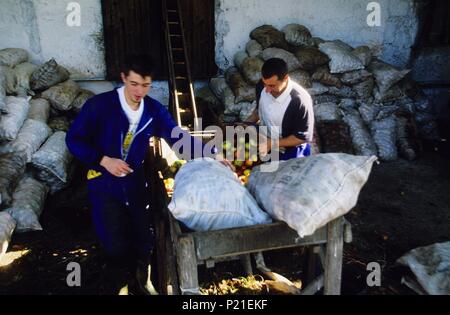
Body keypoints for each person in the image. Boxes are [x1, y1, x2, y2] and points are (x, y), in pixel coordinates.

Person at [66, 54, 224, 294]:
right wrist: (103, 160)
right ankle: (120, 275)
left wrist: (213, 155)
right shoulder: (99, 106)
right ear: (123, 78)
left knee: (144, 235)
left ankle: (143, 276)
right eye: (134, 84)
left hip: (134, 181)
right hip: (104, 182)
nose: (140, 91)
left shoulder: (153, 110)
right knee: (114, 244)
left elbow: (178, 139)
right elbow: (74, 139)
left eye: (146, 85)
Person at [244, 58, 314, 161]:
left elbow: (302, 138)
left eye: (272, 85)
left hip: (290, 147)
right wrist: (245, 124)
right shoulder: (262, 86)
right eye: (265, 84)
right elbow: (259, 111)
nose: (267, 90)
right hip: (266, 139)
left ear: (285, 78)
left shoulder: (300, 100)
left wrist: (271, 143)